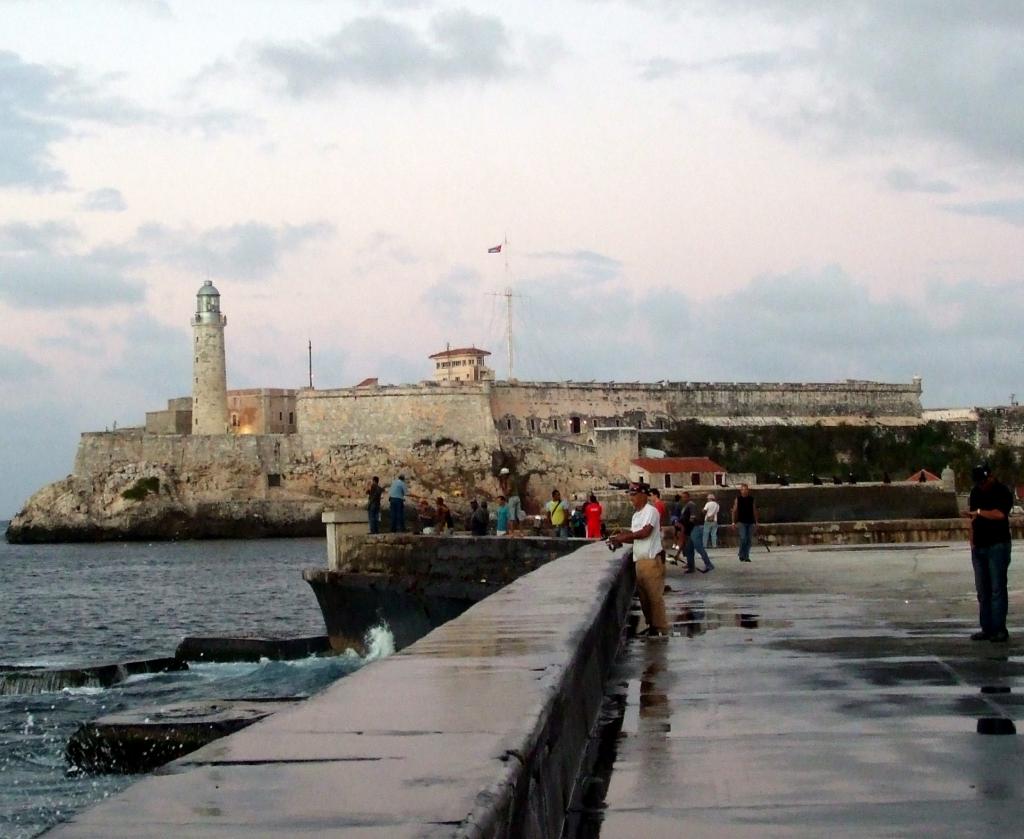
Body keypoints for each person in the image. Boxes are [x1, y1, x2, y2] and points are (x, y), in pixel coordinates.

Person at [608, 483, 668, 637]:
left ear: (643, 495)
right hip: (639, 562)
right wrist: (619, 539)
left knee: (654, 598)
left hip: (651, 561)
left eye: (633, 495)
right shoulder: (636, 516)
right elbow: (635, 538)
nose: (631, 499)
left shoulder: (651, 511)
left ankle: (660, 629)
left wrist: (626, 535)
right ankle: (652, 627)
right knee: (644, 598)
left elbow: (645, 533)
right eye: (630, 495)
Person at [966, 463, 1013, 643]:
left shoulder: (1002, 491)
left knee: (997, 589)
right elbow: (972, 519)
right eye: (978, 482)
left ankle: (999, 628)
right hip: (980, 546)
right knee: (982, 590)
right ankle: (986, 628)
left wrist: (979, 512)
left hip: (998, 545)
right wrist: (972, 544)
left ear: (990, 477)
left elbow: (1000, 514)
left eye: (983, 481)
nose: (981, 485)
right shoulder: (975, 492)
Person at [732, 483, 758, 562]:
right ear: (740, 491)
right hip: (741, 522)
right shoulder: (738, 499)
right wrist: (733, 522)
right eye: (742, 489)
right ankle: (741, 553)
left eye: (745, 489)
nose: (744, 491)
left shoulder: (751, 499)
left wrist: (756, 521)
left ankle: (746, 556)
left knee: (749, 540)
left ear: (748, 490)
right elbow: (734, 511)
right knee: (743, 538)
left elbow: (754, 510)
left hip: (750, 521)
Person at [498, 467, 522, 535]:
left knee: (511, 517)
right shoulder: (512, 478)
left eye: (502, 475)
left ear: (505, 475)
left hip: (512, 498)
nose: (502, 477)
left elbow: (509, 490)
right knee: (519, 516)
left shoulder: (509, 480)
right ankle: (521, 532)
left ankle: (511, 532)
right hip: (517, 498)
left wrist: (505, 494)